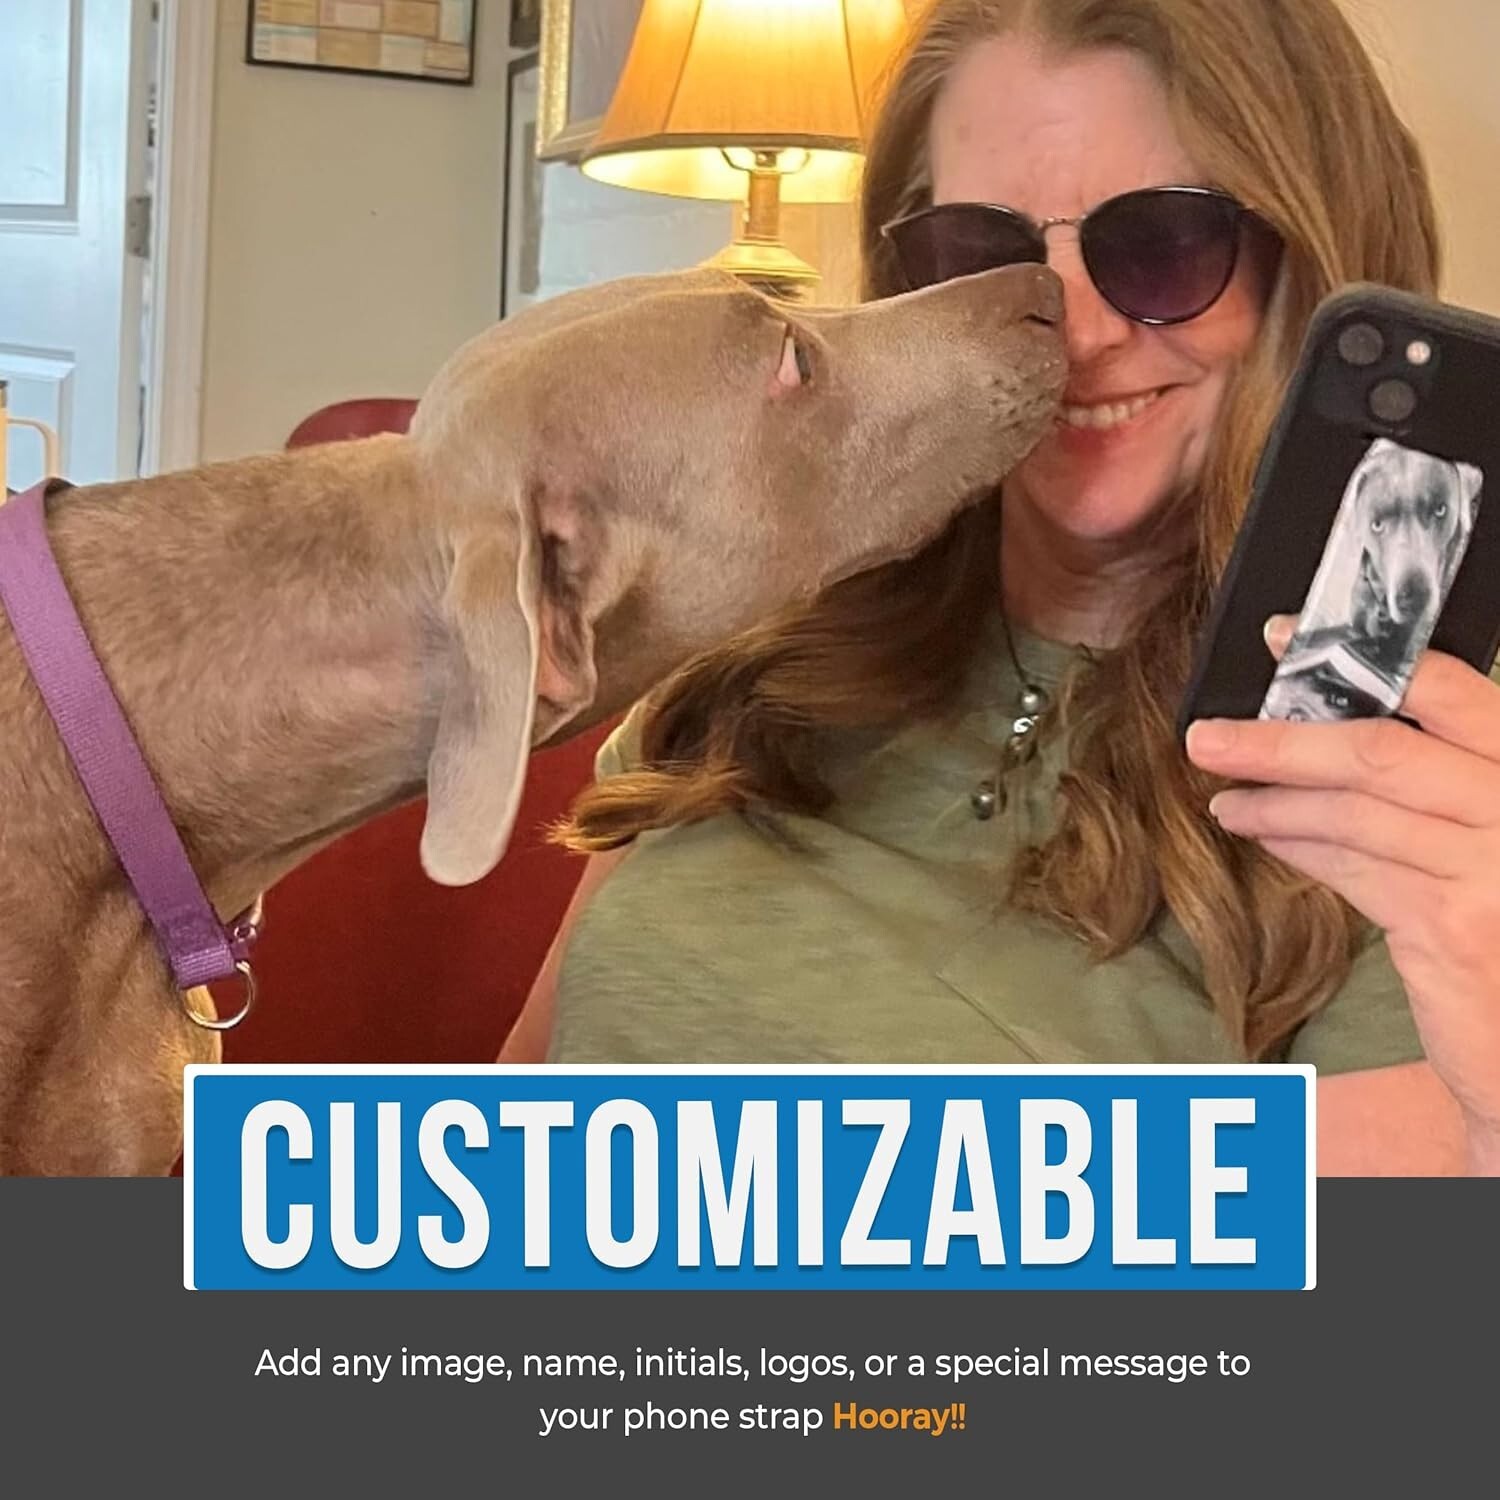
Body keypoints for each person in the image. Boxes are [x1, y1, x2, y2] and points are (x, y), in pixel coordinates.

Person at [501, 0, 1500, 1176]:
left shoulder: (1412, 793)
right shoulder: (758, 660)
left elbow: (1380, 1283)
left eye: (1163, 245)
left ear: (1308, 266)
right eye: (980, 257)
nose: (1071, 334)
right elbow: (507, 1146)